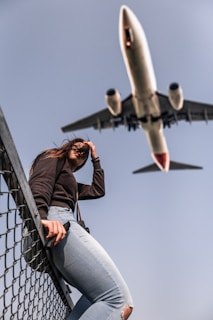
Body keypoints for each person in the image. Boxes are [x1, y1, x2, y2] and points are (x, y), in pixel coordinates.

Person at [29, 138, 133, 320]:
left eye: (84, 153)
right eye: (77, 147)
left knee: (93, 299)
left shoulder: (71, 183)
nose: (80, 151)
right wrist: (40, 218)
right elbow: (41, 183)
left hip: (63, 222)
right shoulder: (53, 157)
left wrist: (95, 158)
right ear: (67, 146)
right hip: (55, 221)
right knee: (119, 301)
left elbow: (97, 190)